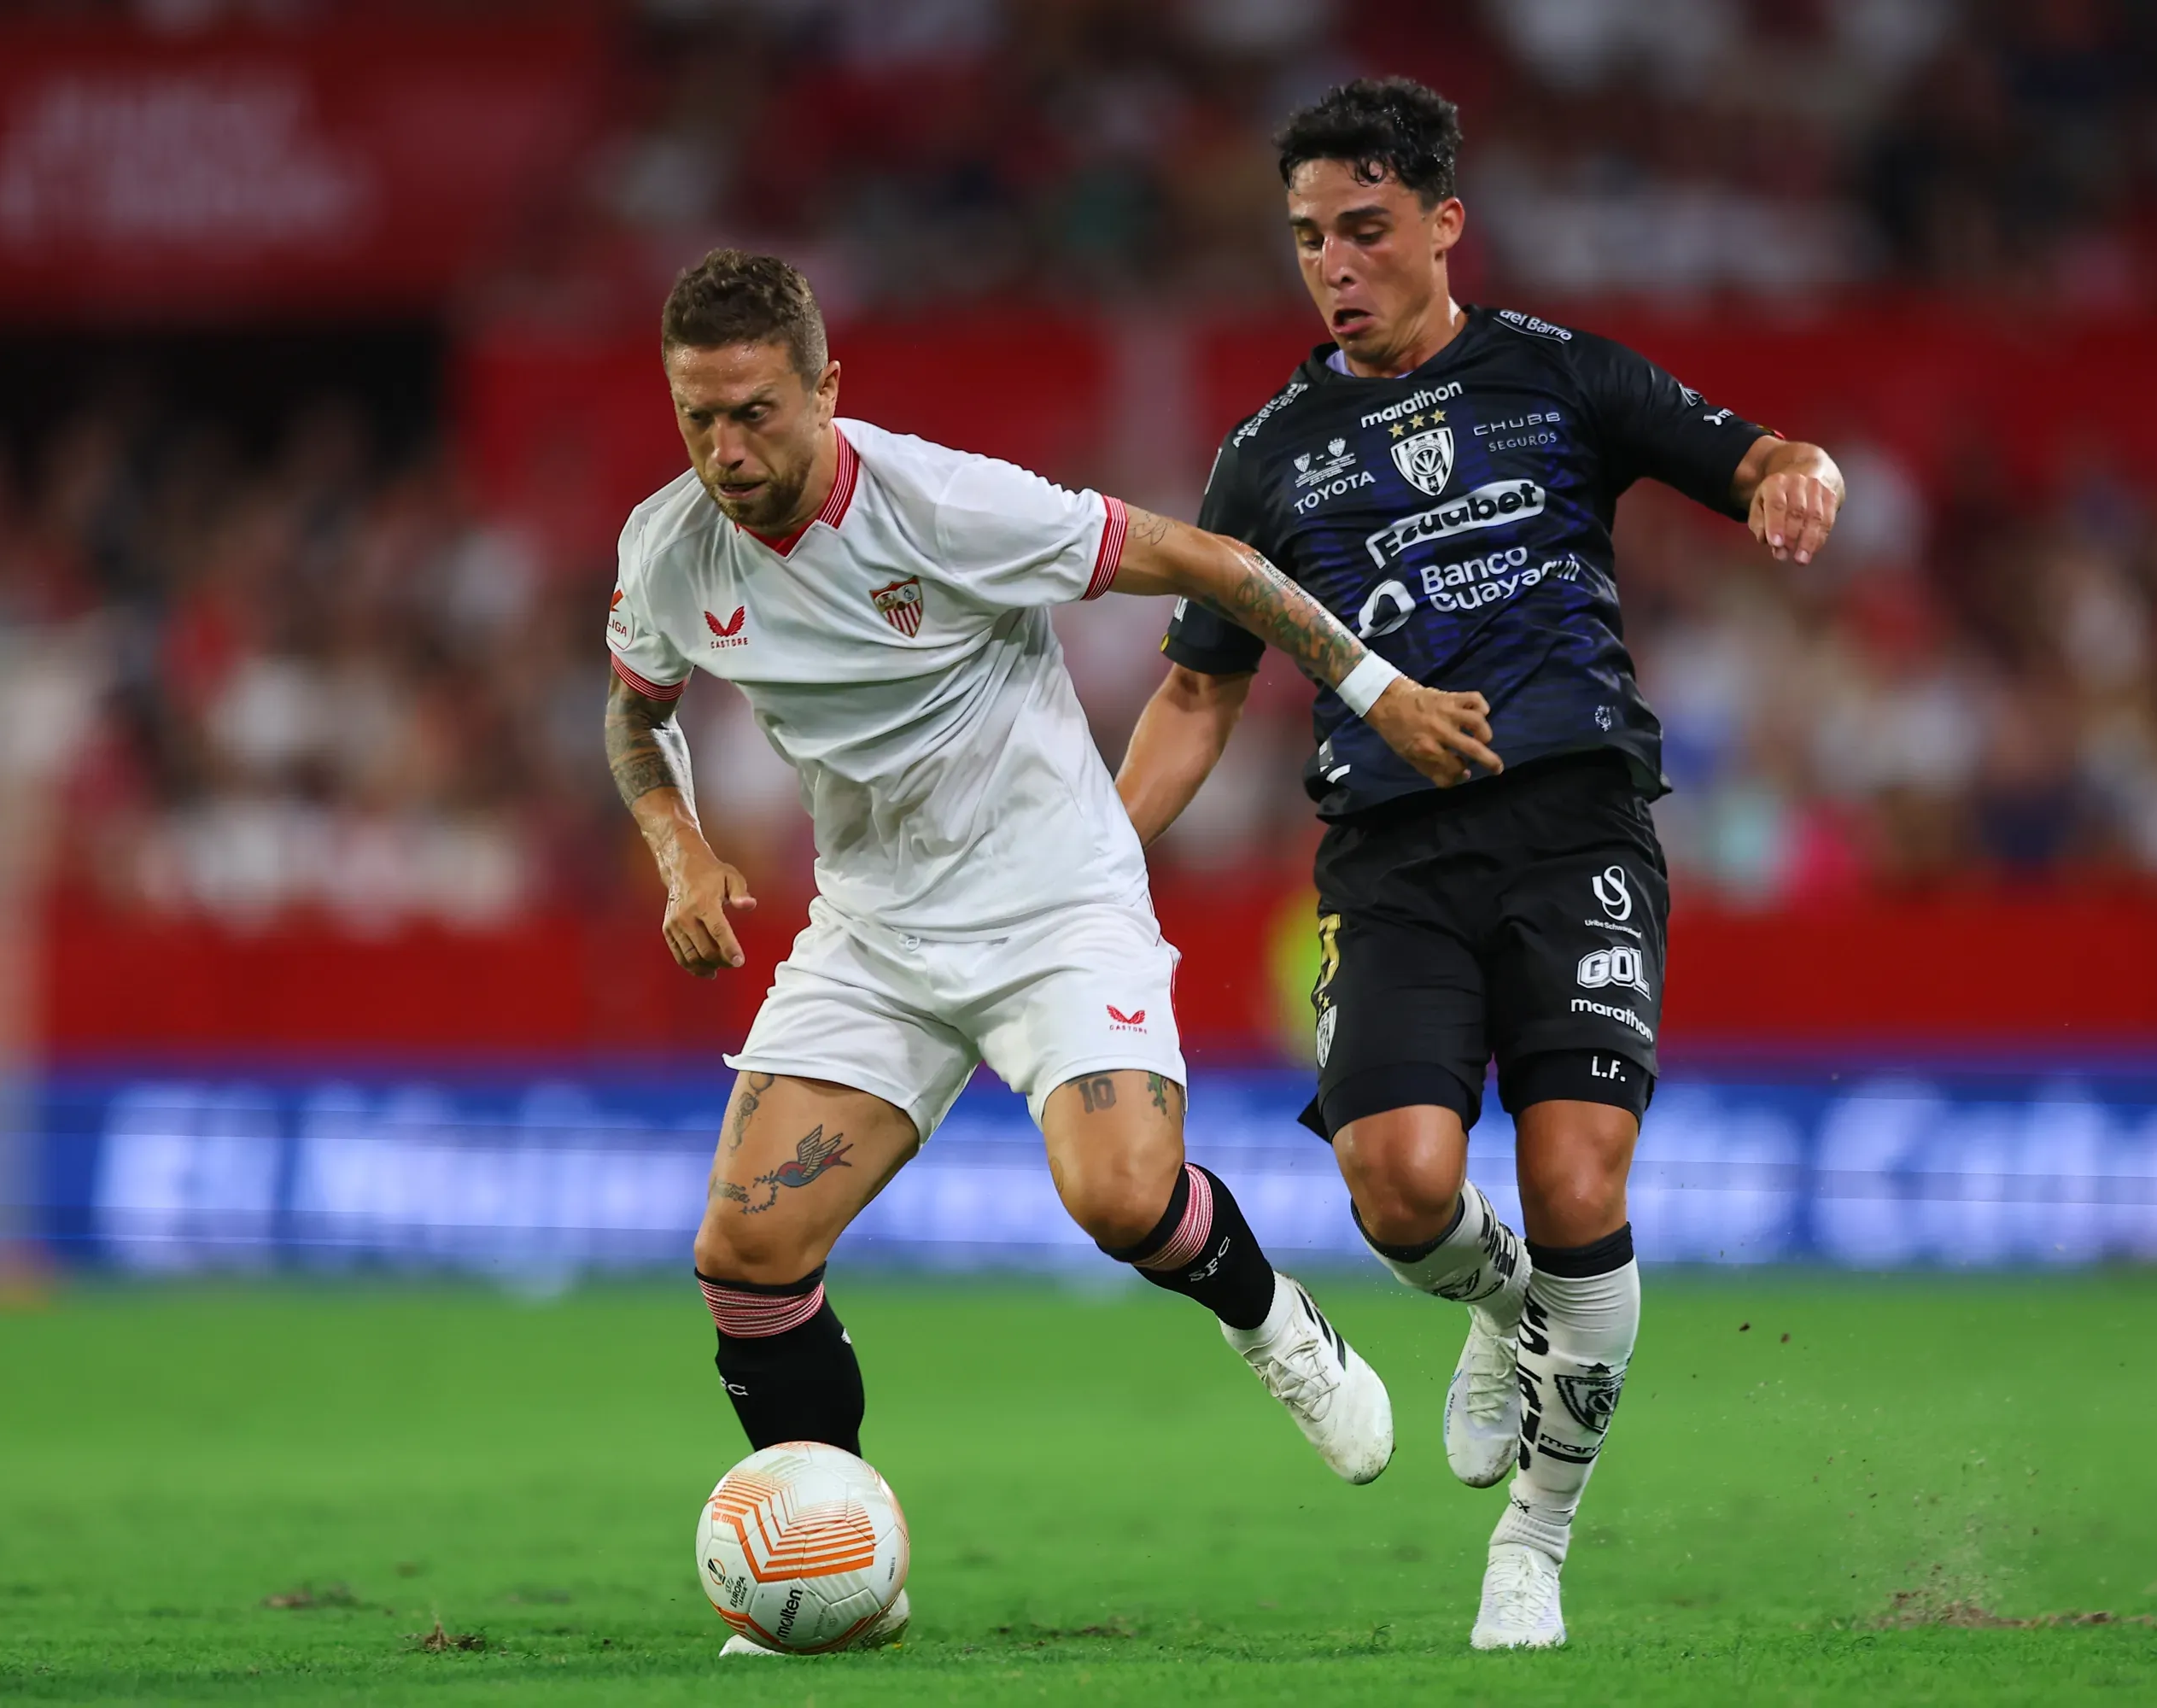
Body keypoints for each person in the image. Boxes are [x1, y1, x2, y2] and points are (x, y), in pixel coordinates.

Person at [605, 249, 1500, 1656]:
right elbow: (636, 712)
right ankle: (841, 1571)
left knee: (1119, 1199)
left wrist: (1375, 691)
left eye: (757, 413)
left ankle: (1272, 1323)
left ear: (827, 389)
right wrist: (683, 848)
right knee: (745, 1251)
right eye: (698, 417)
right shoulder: (667, 549)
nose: (726, 449)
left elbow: (1217, 565)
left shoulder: (950, 505)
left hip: (1055, 907)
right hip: (877, 931)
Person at [1114, 80, 1844, 1651]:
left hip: (1574, 823)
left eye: (1365, 230)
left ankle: (1536, 1542)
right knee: (1399, 1191)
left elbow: (1750, 448)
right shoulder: (1267, 460)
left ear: (1445, 225)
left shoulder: (1559, 375)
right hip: (1390, 856)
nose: (1335, 264)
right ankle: (1510, 1313)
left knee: (1580, 1181)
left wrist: (1797, 470)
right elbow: (1196, 692)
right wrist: (1099, 863)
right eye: (1309, 238)